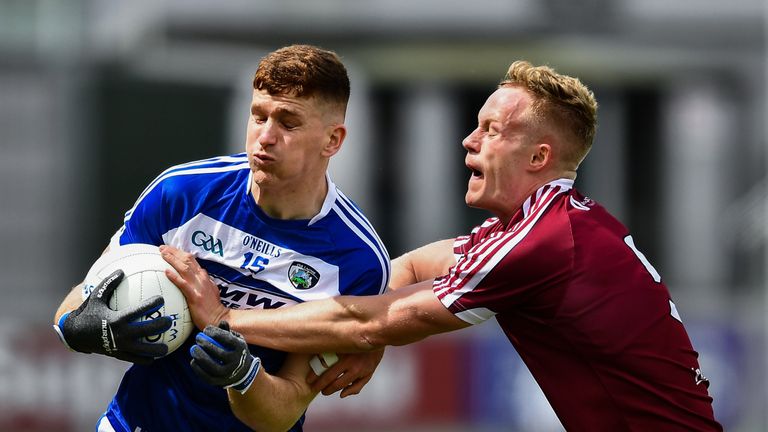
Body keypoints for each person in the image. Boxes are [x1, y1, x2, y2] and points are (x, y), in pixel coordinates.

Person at [162, 60, 723, 431]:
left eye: (491, 131)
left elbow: (367, 320)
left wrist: (224, 319)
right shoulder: (547, 225)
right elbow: (410, 270)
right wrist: (380, 335)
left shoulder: (541, 243)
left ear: (538, 158)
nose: (469, 139)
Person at [52, 44, 390, 432]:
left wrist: (242, 375)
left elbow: (284, 410)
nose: (265, 137)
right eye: (258, 116)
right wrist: (78, 328)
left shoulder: (357, 262)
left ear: (332, 140)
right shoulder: (181, 193)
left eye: (288, 122)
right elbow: (80, 299)